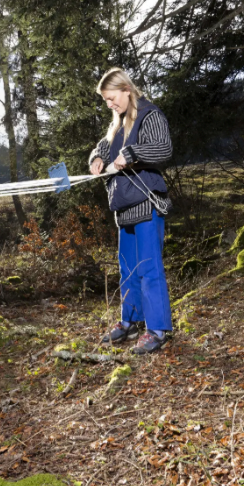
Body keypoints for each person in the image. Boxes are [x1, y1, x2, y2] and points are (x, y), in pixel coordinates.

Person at [89, 68, 173, 354]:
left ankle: (158, 330)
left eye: (111, 98)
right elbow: (102, 148)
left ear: (126, 89)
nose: (109, 104)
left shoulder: (149, 115)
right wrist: (97, 158)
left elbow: (163, 148)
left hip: (147, 204)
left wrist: (133, 154)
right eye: (106, 100)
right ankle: (130, 322)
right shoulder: (117, 125)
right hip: (123, 208)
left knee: (149, 268)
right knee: (128, 270)